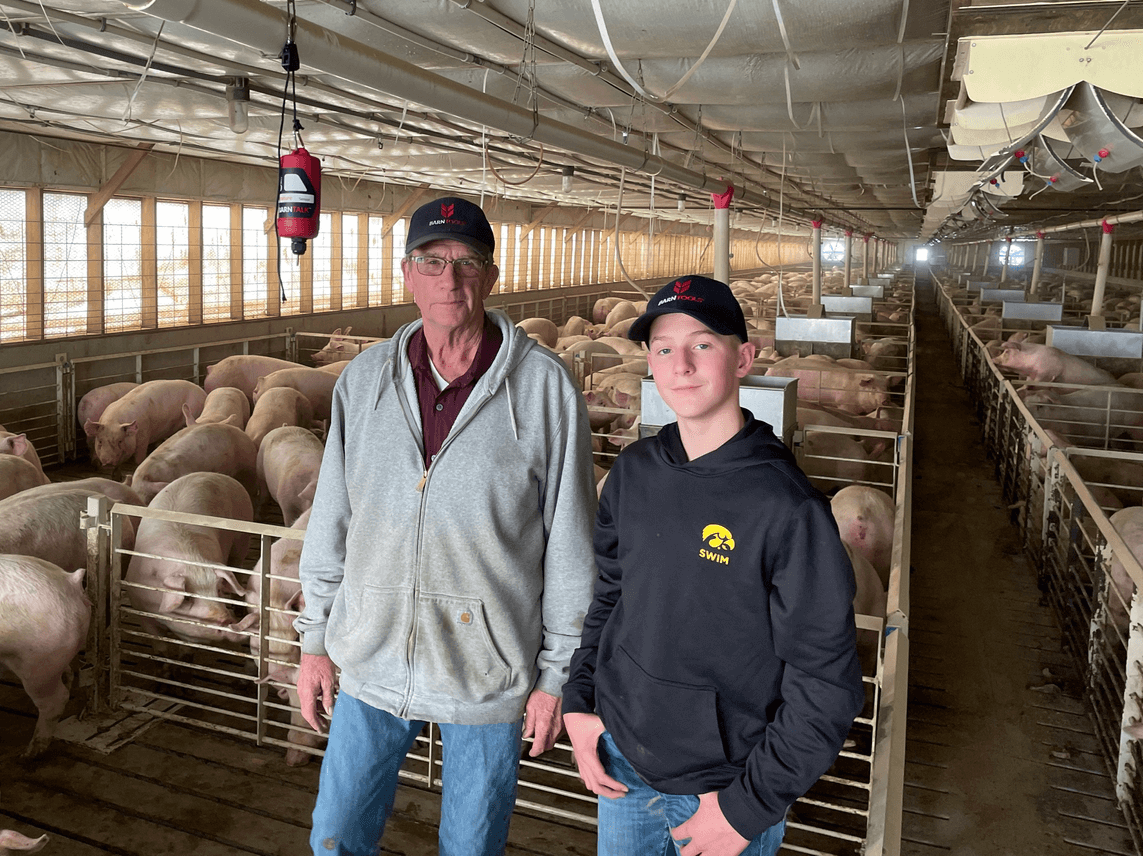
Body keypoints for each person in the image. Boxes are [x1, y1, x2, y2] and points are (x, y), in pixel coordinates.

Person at [295, 195, 597, 856]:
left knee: (470, 847)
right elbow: (333, 516)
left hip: (488, 670)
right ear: (407, 273)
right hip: (370, 655)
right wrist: (315, 637)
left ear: (492, 276)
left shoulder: (547, 389)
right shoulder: (364, 379)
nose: (450, 279)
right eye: (432, 261)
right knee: (335, 837)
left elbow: (572, 544)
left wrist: (556, 674)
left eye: (467, 262)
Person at [561, 275, 864, 856]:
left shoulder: (786, 507)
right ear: (650, 362)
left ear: (744, 358)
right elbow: (611, 597)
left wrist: (748, 807)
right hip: (622, 763)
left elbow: (826, 681)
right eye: (664, 348)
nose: (682, 364)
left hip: (723, 790)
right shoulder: (633, 472)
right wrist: (581, 702)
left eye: (703, 344)